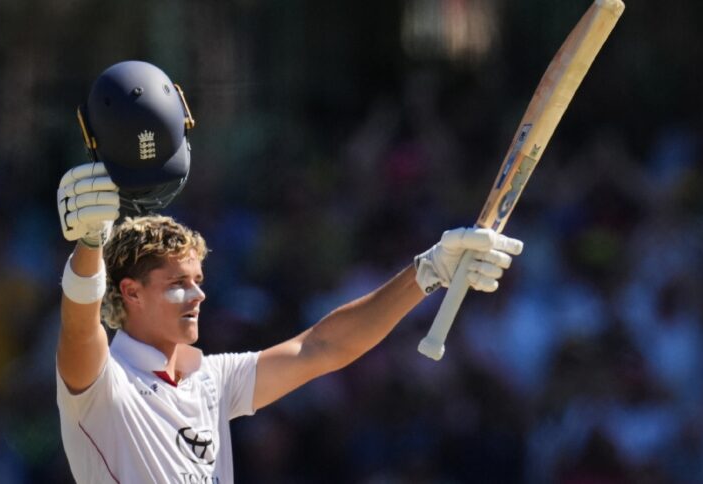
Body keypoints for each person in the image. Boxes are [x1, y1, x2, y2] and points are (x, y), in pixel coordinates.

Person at [55, 61, 524, 483]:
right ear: (132, 293)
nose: (198, 296)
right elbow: (79, 329)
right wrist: (90, 244)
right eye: (178, 285)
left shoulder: (211, 380)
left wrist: (428, 272)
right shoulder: (105, 386)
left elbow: (323, 345)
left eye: (197, 281)